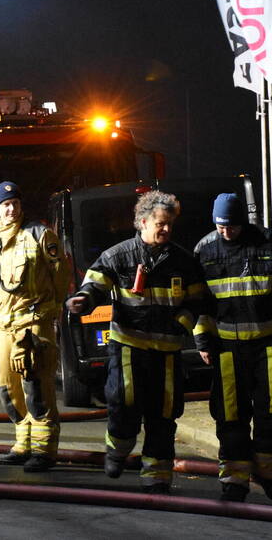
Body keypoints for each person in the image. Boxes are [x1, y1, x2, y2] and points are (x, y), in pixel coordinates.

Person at [65, 190, 201, 494]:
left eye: (169, 225)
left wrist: (182, 322)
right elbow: (95, 285)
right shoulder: (119, 255)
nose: (166, 229)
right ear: (142, 222)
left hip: (167, 353)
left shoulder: (182, 261)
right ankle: (118, 449)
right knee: (124, 402)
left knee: (164, 414)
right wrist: (83, 300)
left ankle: (157, 476)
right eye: (160, 224)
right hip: (129, 347)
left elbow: (198, 301)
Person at [191, 193, 272, 504]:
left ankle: (268, 474)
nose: (226, 232)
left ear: (243, 221)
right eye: (220, 226)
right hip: (227, 347)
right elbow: (198, 303)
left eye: (231, 226)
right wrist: (203, 340)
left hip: (268, 343)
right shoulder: (204, 250)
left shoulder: (268, 243)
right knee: (230, 416)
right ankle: (234, 481)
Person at [0, 181, 68, 473]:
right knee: (7, 386)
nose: (11, 209)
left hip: (34, 323)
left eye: (15, 203)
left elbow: (60, 273)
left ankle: (44, 449)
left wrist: (52, 309)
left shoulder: (39, 233)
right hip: (4, 324)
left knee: (36, 385)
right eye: (6, 204)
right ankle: (22, 443)